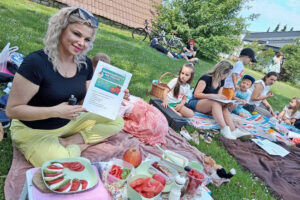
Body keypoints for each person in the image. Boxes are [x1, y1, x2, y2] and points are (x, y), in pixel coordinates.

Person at [6, 7, 124, 167]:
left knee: (117, 121)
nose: (81, 43)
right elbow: (12, 110)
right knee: (60, 165)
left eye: (87, 39)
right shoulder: (36, 63)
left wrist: (112, 94)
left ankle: (70, 141)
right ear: (60, 29)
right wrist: (55, 111)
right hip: (32, 130)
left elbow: (86, 102)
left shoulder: (84, 65)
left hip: (68, 123)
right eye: (76, 34)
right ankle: (82, 145)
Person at [187, 60, 246, 140]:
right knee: (215, 103)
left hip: (209, 105)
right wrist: (213, 96)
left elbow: (220, 96)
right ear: (222, 72)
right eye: (227, 74)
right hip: (196, 102)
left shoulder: (222, 81)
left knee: (223, 107)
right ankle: (224, 128)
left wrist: (226, 103)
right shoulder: (206, 78)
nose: (227, 76)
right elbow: (196, 94)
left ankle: (233, 130)